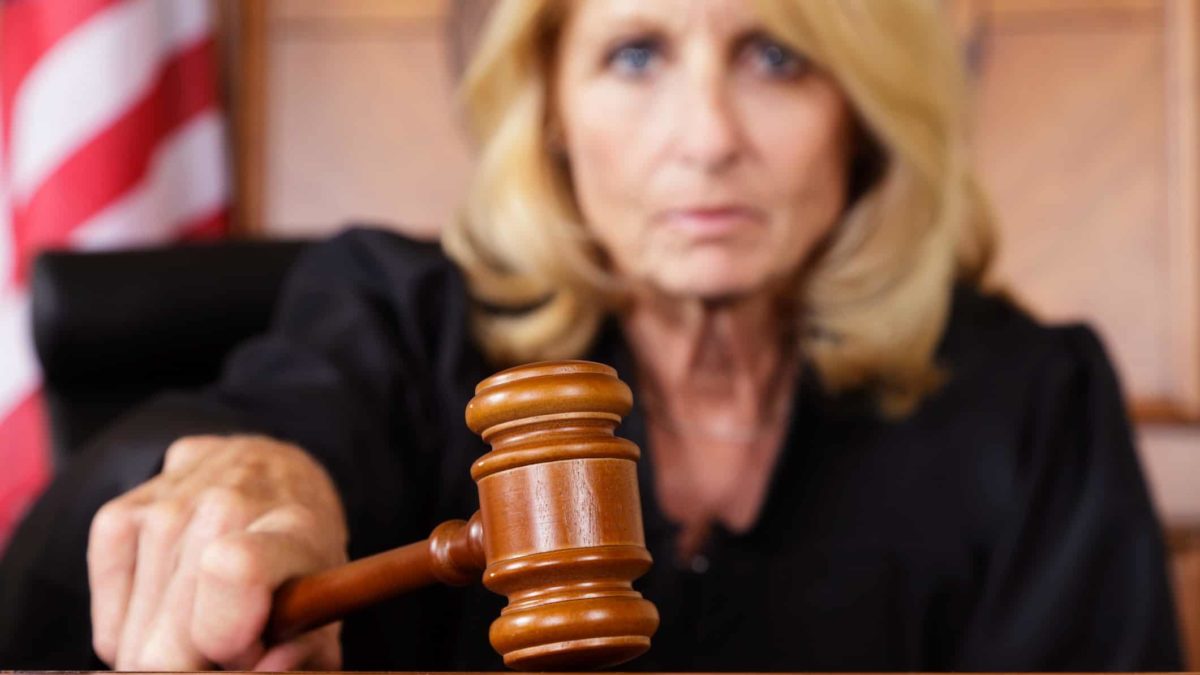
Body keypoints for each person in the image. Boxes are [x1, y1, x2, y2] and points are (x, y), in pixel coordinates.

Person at [0, 0, 1183, 670]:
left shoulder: (1031, 401)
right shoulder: (404, 319)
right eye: (635, 54)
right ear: (551, 111)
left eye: (776, 56)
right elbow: (277, 427)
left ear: (861, 114)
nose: (707, 135)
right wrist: (250, 488)